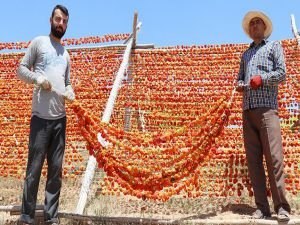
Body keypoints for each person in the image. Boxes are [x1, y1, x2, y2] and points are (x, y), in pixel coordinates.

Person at [17, 5, 75, 225]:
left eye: (65, 21)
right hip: (40, 119)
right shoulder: (39, 43)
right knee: (34, 169)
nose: (61, 24)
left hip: (60, 119)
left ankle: (51, 218)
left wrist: (70, 91)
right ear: (51, 19)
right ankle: (26, 216)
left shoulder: (66, 54)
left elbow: (67, 82)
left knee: (55, 171)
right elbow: (20, 69)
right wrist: (37, 80)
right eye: (58, 19)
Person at [236, 11, 291, 222]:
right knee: (253, 161)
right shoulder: (246, 55)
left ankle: (282, 207)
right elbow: (239, 79)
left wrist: (263, 79)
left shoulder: (274, 47)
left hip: (267, 109)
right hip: (248, 110)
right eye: (252, 24)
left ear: (264, 27)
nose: (255, 26)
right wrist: (241, 85)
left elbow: (282, 73)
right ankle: (261, 208)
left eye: (258, 23)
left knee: (274, 159)